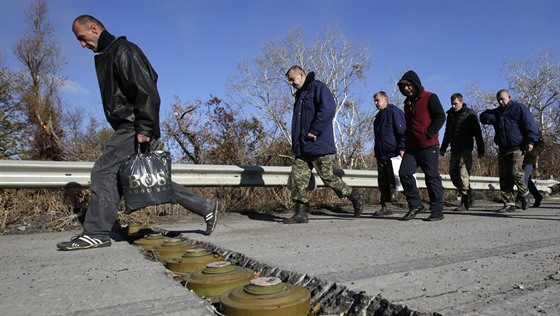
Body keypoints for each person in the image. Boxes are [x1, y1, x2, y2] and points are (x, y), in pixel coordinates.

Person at [57, 15, 219, 251]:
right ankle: (205, 206)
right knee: (147, 180)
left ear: (94, 28)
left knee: (103, 172)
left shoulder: (124, 51)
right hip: (133, 125)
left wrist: (144, 127)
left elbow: (147, 90)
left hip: (134, 125)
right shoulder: (112, 54)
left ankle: (95, 232)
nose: (82, 45)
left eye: (82, 38)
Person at [283, 66, 363, 224]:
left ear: (301, 75)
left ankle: (355, 196)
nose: (291, 83)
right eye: (289, 80)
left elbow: (328, 108)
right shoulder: (299, 95)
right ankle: (301, 212)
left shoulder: (318, 88)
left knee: (328, 178)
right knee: (297, 178)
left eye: (292, 79)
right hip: (303, 147)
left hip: (318, 143)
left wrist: (315, 130)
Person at [397, 70, 446, 221]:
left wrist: (429, 133)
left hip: (428, 146)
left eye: (409, 85)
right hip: (412, 146)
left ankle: (437, 210)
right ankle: (415, 205)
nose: (406, 89)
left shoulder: (430, 97)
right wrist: (403, 144)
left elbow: (441, 116)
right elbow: (409, 126)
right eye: (403, 87)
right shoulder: (407, 103)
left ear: (415, 84)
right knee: (404, 173)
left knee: (431, 177)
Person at [479, 89, 539, 212]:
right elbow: (484, 117)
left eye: (503, 99)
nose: (501, 102)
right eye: (499, 100)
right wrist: (488, 116)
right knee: (504, 177)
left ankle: (524, 193)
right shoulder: (497, 113)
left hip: (517, 147)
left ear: (509, 97)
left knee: (515, 172)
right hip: (503, 148)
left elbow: (530, 124)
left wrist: (531, 141)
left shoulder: (519, 108)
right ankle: (509, 203)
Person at [440, 93, 485, 211]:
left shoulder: (470, 114)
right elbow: (447, 133)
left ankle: (464, 202)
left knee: (463, 173)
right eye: (452, 104)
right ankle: (469, 191)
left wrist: (481, 150)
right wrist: (443, 149)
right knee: (453, 174)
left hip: (466, 148)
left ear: (461, 101)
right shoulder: (450, 115)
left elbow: (478, 133)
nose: (454, 106)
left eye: (456, 103)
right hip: (454, 149)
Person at [372, 91, 406, 216]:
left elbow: (402, 131)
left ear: (385, 99)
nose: (376, 103)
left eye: (377, 100)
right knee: (383, 183)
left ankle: (415, 201)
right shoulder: (377, 118)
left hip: (393, 154)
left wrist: (402, 148)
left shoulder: (394, 112)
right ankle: (386, 207)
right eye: (374, 101)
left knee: (397, 181)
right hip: (381, 155)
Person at [519, 134, 544, 207]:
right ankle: (538, 197)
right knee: (527, 180)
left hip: (529, 159)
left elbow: (541, 144)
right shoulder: (516, 127)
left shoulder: (532, 128)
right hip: (518, 157)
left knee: (524, 178)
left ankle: (521, 199)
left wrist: (534, 153)